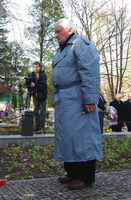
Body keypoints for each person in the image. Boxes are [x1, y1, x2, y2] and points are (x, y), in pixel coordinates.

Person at [51, 19, 103, 189]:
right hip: (65, 99)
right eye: (55, 32)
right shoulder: (63, 49)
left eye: (59, 31)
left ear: (70, 30)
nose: (56, 35)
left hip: (79, 99)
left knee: (83, 136)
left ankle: (85, 176)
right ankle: (72, 172)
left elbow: (90, 73)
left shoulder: (81, 45)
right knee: (68, 136)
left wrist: (90, 99)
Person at [29, 62, 47, 134]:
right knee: (35, 111)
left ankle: (42, 127)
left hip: (42, 96)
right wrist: (29, 87)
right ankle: (37, 126)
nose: (35, 68)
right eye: (34, 67)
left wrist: (35, 85)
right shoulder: (32, 75)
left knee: (42, 112)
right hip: (35, 96)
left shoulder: (43, 75)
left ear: (40, 67)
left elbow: (43, 86)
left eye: (37, 67)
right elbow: (29, 82)